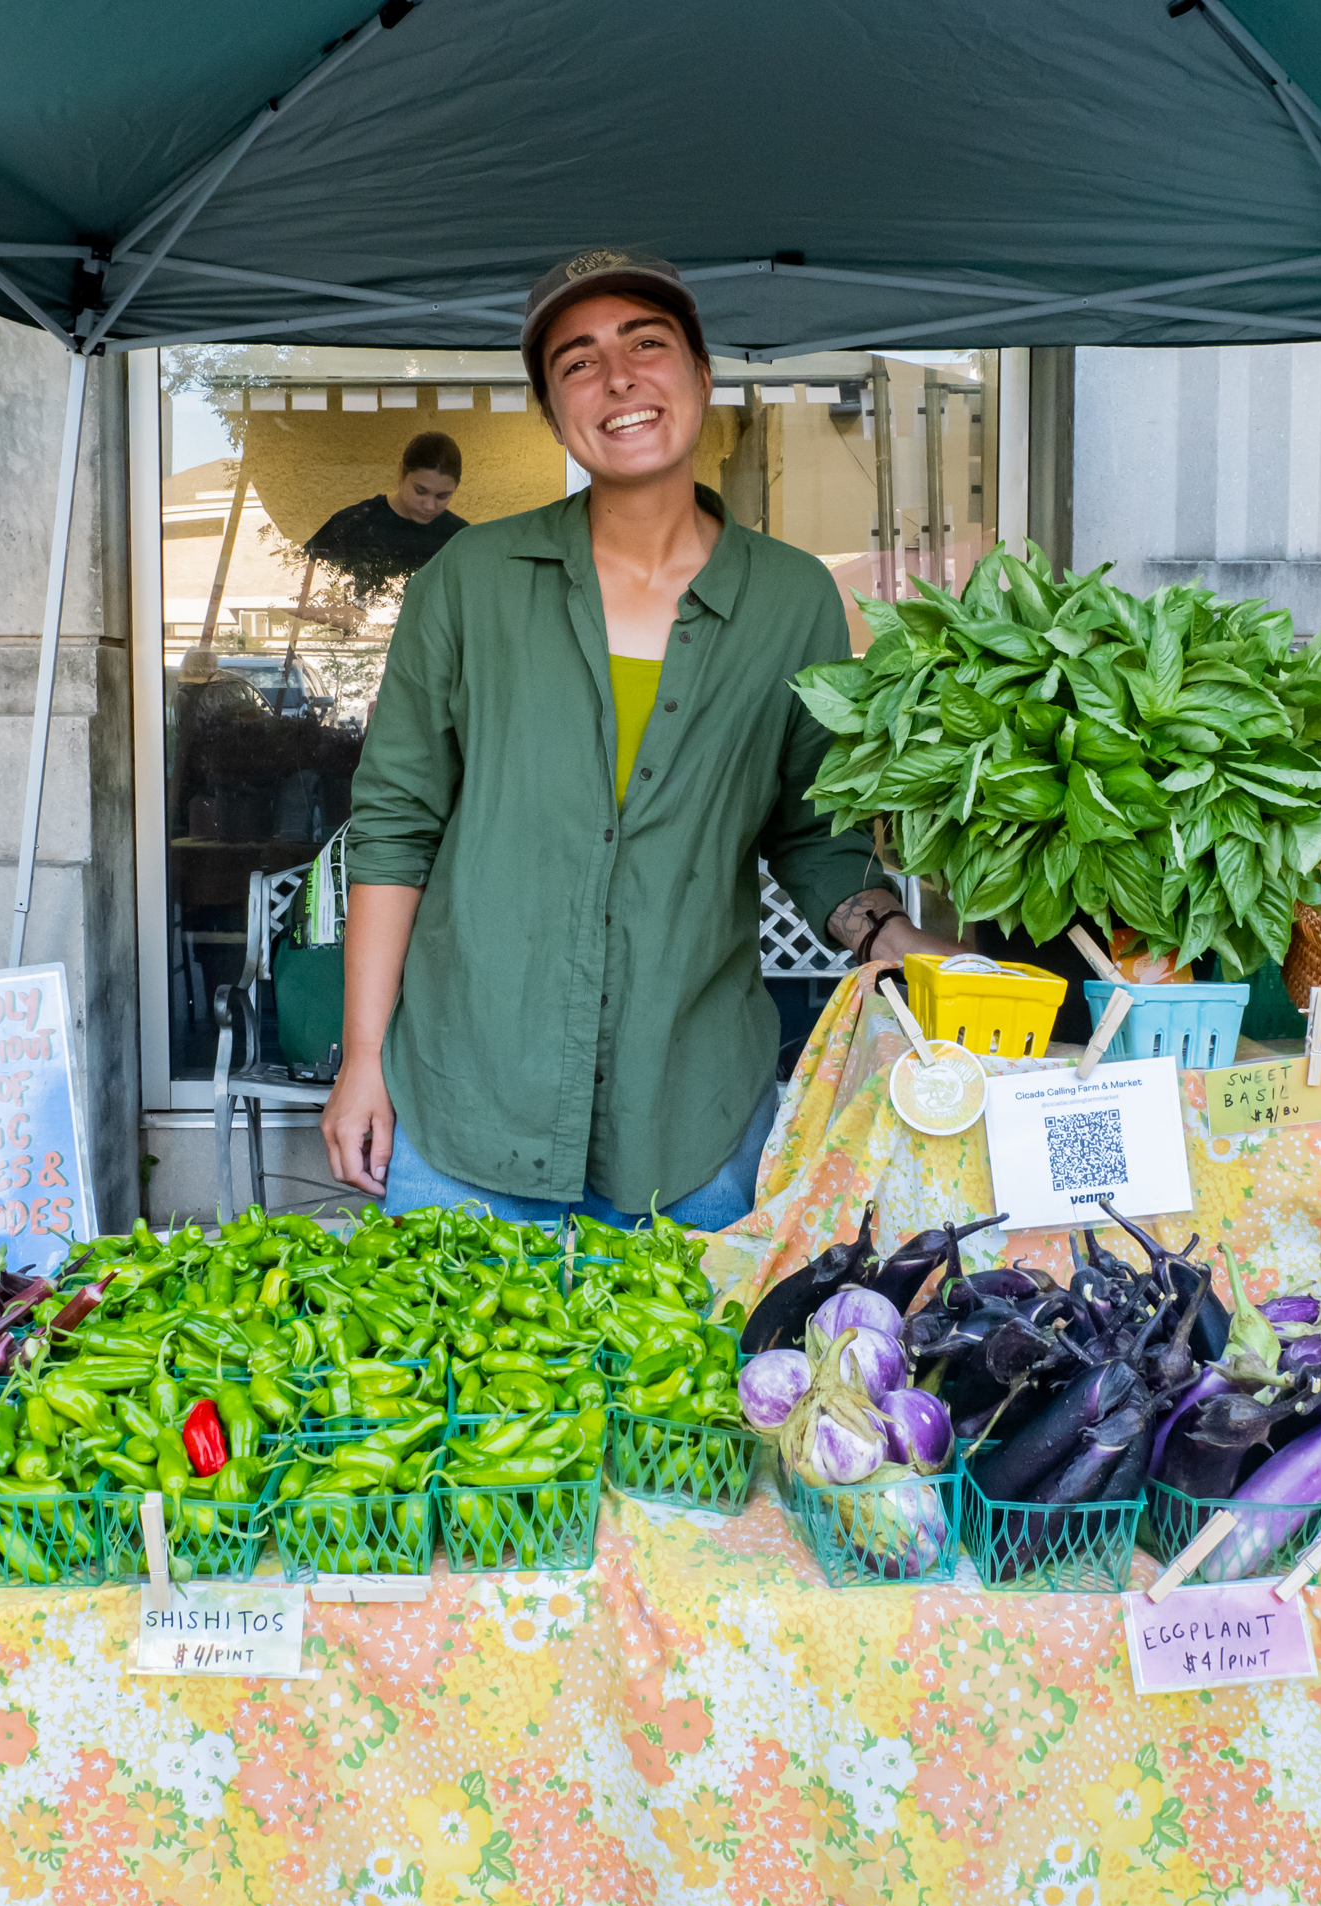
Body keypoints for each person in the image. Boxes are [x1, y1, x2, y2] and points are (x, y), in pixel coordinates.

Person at [323, 248, 961, 1230]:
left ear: (701, 377)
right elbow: (394, 824)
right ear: (552, 411)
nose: (616, 377)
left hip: (693, 1122)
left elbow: (810, 832)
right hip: (466, 1105)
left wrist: (894, 936)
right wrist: (363, 1057)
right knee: (447, 1387)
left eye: (646, 344)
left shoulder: (790, 598)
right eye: (576, 361)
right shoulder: (469, 580)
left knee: (698, 1386)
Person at [300, 431, 468, 609]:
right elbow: (305, 598)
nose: (429, 505)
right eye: (420, 491)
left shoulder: (461, 538)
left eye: (442, 496)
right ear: (401, 472)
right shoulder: (351, 524)